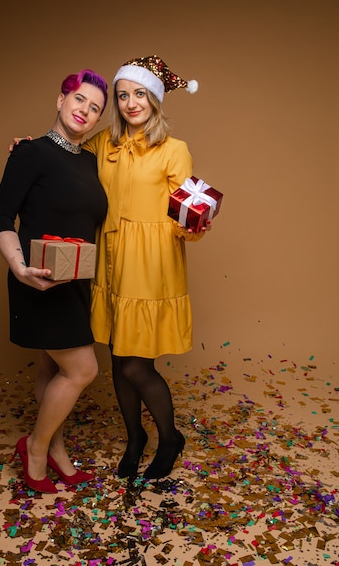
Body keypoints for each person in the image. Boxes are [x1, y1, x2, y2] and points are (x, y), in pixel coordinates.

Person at [83, 55, 211, 480]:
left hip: (151, 263)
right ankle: (134, 437)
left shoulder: (175, 150)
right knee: (119, 360)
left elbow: (185, 216)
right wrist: (28, 149)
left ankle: (170, 438)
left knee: (138, 363)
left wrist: (197, 220)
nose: (130, 102)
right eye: (122, 95)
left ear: (154, 99)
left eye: (139, 93)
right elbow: (64, 160)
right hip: (111, 258)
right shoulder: (105, 143)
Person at [0, 69, 108, 493]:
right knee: (82, 369)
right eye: (79, 100)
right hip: (37, 279)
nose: (85, 111)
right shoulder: (30, 153)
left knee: (50, 365)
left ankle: (56, 450)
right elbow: (0, 217)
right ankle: (36, 449)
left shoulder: (90, 160)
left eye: (95, 108)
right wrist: (20, 269)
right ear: (61, 101)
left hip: (76, 281)